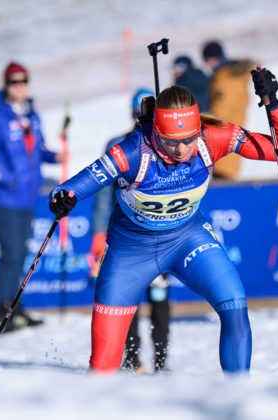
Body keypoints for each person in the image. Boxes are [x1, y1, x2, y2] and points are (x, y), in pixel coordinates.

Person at [49, 67, 278, 374]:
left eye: (189, 139)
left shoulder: (213, 138)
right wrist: (63, 198)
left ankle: (240, 400)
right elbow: (75, 186)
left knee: (235, 305)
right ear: (155, 129)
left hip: (188, 240)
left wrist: (272, 103)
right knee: (104, 365)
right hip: (131, 252)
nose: (182, 150)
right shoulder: (131, 151)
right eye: (170, 141)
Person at [0, 61, 66, 333]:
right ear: (6, 85)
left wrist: (54, 156)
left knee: (20, 256)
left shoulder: (32, 115)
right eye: (14, 81)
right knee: (11, 255)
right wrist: (10, 179)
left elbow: (36, 149)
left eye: (24, 80)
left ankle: (16, 308)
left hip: (27, 198)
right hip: (5, 200)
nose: (20, 86)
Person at [91, 88, 171, 374]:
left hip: (160, 237)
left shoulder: (170, 144)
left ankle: (161, 361)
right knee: (128, 301)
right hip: (127, 237)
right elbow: (102, 195)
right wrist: (99, 233)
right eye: (140, 109)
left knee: (159, 297)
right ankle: (132, 359)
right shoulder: (118, 144)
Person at [202, 40, 257, 180]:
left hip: (222, 148)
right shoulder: (234, 77)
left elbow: (220, 115)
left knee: (220, 192)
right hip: (231, 145)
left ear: (213, 58)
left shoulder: (226, 80)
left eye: (207, 60)